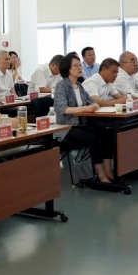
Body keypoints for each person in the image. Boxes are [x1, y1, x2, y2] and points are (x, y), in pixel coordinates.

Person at [52, 53, 114, 184]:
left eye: (80, 65)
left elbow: (92, 102)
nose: (80, 67)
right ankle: (101, 175)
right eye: (76, 65)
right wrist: (85, 108)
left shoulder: (79, 85)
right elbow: (62, 109)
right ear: (68, 68)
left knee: (107, 133)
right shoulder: (61, 86)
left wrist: (94, 105)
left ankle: (108, 171)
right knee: (93, 138)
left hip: (81, 125)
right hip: (66, 127)